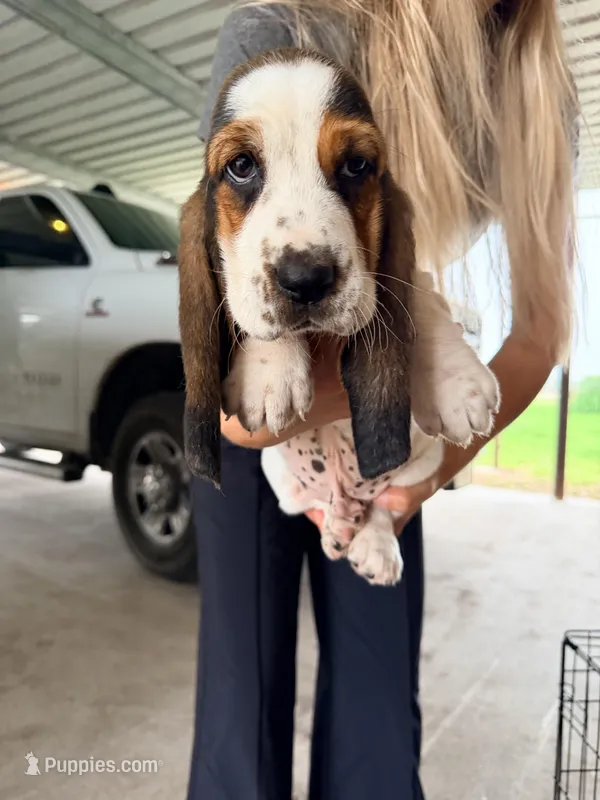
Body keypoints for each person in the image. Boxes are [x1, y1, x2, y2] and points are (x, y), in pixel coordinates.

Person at [187, 2, 578, 798]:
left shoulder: (539, 84)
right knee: (238, 697)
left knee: (379, 705)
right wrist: (286, 371)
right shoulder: (286, 22)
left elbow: (540, 330)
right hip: (257, 363)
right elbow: (218, 250)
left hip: (387, 360)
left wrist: (413, 485)